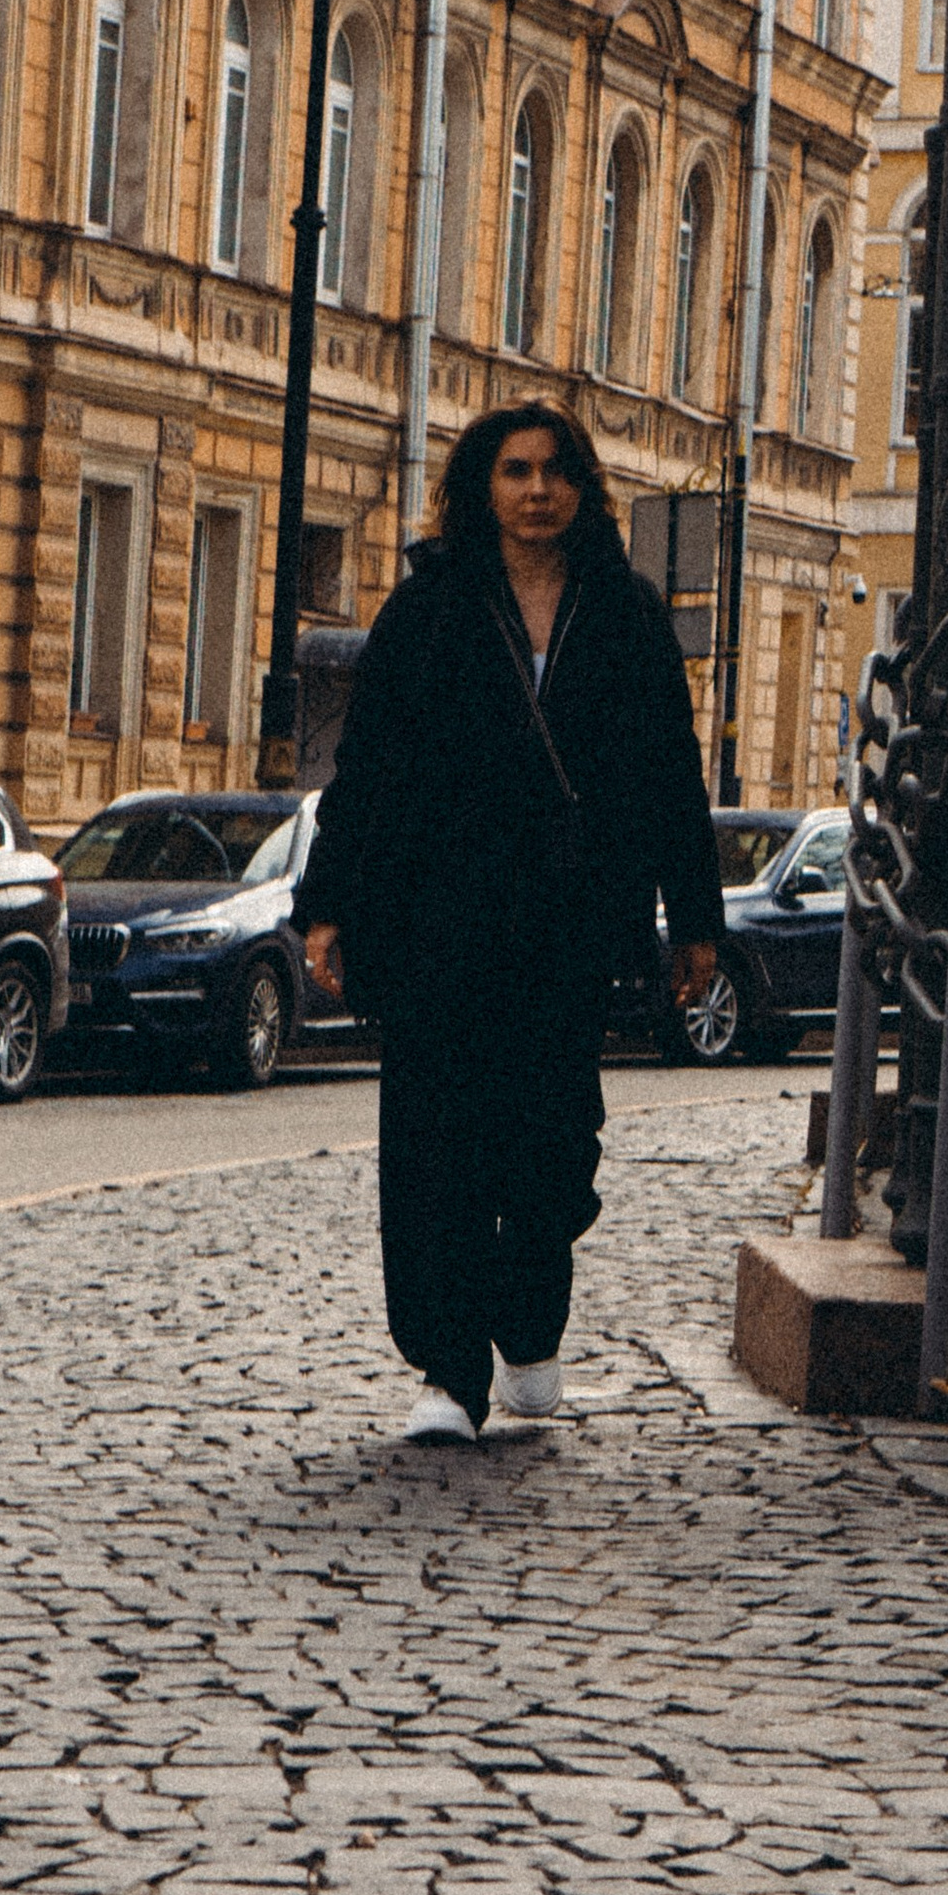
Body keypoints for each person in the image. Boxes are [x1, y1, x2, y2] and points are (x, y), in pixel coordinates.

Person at [298, 402, 724, 1443]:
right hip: (439, 921)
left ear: (581, 488)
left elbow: (672, 775)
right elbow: (366, 772)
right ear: (480, 488)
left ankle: (530, 1332)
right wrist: (325, 907)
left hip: (570, 929)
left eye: (555, 471)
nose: (537, 491)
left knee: (548, 1146)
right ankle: (447, 1370)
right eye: (516, 471)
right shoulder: (429, 609)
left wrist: (696, 923)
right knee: (436, 1146)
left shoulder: (624, 613)